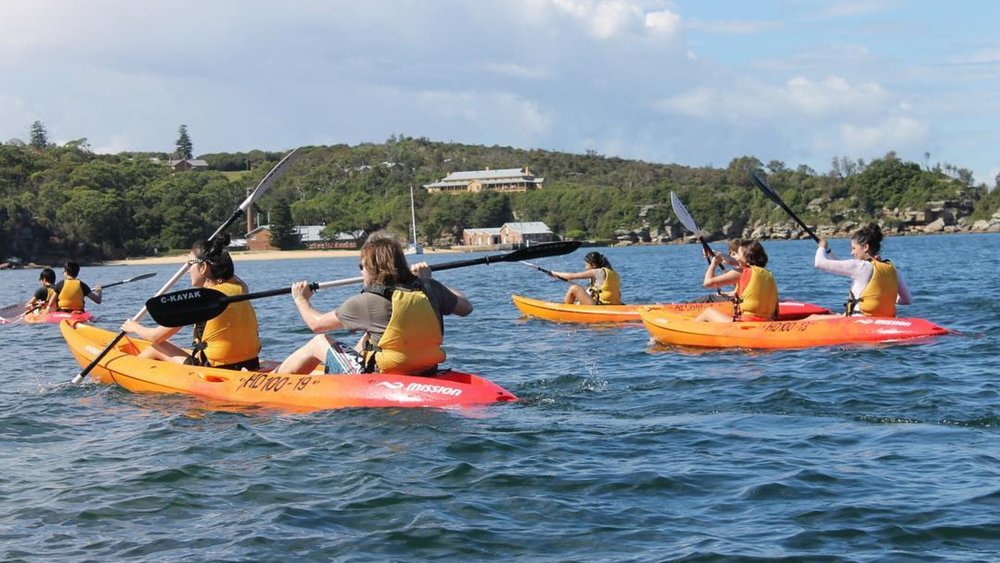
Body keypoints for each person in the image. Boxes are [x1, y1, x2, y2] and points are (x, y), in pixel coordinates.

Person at [276, 235, 472, 375]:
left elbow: (316, 324)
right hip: (425, 369)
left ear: (372, 268)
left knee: (319, 342)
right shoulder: (429, 288)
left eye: (361, 267)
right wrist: (430, 280)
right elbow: (466, 307)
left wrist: (301, 299)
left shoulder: (368, 301)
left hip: (381, 374)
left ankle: (270, 379)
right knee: (371, 336)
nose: (361, 272)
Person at [121, 235, 261, 371]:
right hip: (249, 363)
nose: (187, 270)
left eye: (189, 264)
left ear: (203, 268)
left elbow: (155, 337)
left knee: (157, 347)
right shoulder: (241, 288)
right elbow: (228, 273)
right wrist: (212, 255)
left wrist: (133, 327)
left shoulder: (197, 301)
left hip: (214, 368)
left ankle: (126, 372)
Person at [812, 223, 911, 318]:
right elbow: (907, 300)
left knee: (813, 317)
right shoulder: (892, 269)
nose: (852, 252)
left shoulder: (860, 266)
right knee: (831, 314)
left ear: (865, 247)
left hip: (858, 321)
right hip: (884, 320)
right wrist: (881, 299)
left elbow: (819, 263)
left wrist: (821, 248)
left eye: (854, 248)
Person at [695, 239, 779, 323]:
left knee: (708, 312)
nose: (736, 256)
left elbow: (707, 283)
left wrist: (713, 264)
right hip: (767, 320)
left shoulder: (742, 272)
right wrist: (715, 254)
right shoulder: (767, 274)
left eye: (738, 253)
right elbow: (733, 261)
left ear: (746, 256)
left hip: (749, 322)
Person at [550, 251, 621, 305]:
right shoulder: (613, 273)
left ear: (593, 265)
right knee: (584, 290)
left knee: (574, 288)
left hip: (600, 306)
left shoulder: (597, 272)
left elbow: (571, 276)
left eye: (586, 265)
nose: (585, 268)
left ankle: (566, 309)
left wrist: (554, 273)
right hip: (613, 305)